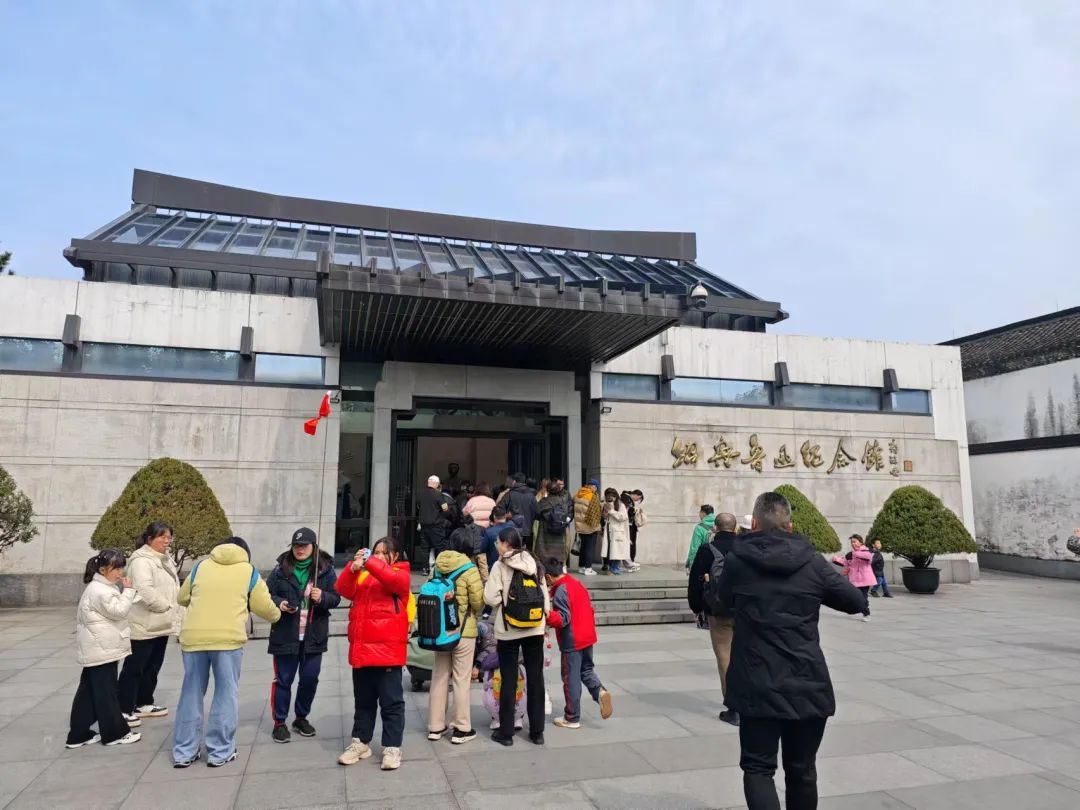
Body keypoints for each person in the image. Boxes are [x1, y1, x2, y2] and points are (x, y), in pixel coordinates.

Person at [717, 492, 866, 810]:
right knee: (802, 771)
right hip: (806, 681)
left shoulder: (738, 562)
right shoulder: (812, 562)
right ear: (790, 525)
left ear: (755, 524)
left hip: (757, 681)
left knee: (758, 769)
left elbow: (722, 601)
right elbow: (855, 601)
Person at [173, 537, 281, 768]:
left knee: (191, 694)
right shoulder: (248, 571)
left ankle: (184, 752)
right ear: (245, 552)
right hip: (227, 641)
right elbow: (264, 607)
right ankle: (220, 752)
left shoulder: (200, 567)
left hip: (193, 638)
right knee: (225, 694)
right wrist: (278, 615)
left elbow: (182, 597)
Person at [336, 536, 411, 771]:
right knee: (363, 702)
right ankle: (360, 742)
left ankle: (392, 747)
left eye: (382, 552)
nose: (377, 556)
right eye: (375, 552)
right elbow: (343, 589)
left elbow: (391, 579)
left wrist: (370, 562)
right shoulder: (366, 575)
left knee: (391, 703)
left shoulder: (400, 574)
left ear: (395, 556)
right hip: (362, 650)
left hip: (387, 652)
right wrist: (352, 568)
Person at [266, 527, 341, 743]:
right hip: (285, 634)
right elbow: (267, 594)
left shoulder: (325, 570)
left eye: (304, 546)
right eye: (296, 546)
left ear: (313, 547)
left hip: (313, 635)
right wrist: (280, 603)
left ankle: (301, 717)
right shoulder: (280, 569)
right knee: (284, 680)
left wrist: (322, 596)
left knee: (309, 679)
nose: (300, 550)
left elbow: (336, 598)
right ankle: (279, 722)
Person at [67, 549, 142, 749]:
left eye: (121, 568)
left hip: (98, 647)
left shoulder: (100, 587)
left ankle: (78, 735)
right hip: (101, 649)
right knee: (106, 693)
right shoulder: (101, 590)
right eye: (116, 568)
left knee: (88, 692)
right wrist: (128, 591)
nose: (120, 572)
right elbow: (119, 611)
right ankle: (115, 733)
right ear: (102, 570)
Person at [483, 527, 551, 746]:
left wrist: (504, 600)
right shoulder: (534, 562)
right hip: (534, 627)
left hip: (508, 629)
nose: (496, 546)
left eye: (498, 542)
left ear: (506, 544)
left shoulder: (500, 565)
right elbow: (544, 596)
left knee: (508, 679)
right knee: (536, 678)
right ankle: (537, 732)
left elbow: (490, 598)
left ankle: (506, 733)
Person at [426, 530, 485, 745]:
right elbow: (478, 603)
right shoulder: (470, 569)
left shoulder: (437, 566)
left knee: (439, 676)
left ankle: (435, 726)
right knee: (461, 679)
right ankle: (461, 728)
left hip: (440, 631)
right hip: (463, 631)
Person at [118, 522, 180, 724]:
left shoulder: (164, 558)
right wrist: (165, 606)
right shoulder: (141, 561)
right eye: (163, 537)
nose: (167, 541)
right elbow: (144, 590)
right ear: (149, 539)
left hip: (161, 623)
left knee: (153, 665)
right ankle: (123, 708)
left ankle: (144, 702)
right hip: (144, 622)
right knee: (135, 667)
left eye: (169, 537)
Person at [543, 558, 613, 729]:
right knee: (586, 670)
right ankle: (600, 692)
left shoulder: (561, 591)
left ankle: (572, 717)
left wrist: (547, 615)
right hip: (587, 635)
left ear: (548, 577)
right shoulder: (576, 584)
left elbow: (563, 618)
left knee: (570, 677)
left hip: (572, 639)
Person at [687, 512, 740, 725]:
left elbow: (695, 580)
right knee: (745, 656)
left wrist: (696, 607)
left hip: (717, 611)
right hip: (745, 610)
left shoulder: (707, 550)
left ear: (715, 528)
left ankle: (733, 707)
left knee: (724, 656)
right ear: (735, 528)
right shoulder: (747, 548)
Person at [417, 475, 454, 575]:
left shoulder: (421, 494)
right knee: (441, 547)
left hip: (424, 525)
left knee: (424, 548)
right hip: (436, 525)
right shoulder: (438, 494)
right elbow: (445, 510)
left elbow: (418, 506)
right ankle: (442, 568)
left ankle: (425, 569)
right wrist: (443, 517)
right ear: (437, 484)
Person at [833, 535, 875, 622]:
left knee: (862, 597)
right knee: (856, 597)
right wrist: (836, 559)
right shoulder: (851, 554)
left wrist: (854, 554)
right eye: (852, 542)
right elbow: (845, 562)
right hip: (854, 580)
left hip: (864, 580)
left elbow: (868, 557)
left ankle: (866, 613)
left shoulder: (866, 551)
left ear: (860, 542)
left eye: (854, 541)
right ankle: (863, 606)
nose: (853, 543)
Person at [535, 478, 573, 563]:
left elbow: (536, 513)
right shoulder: (562, 502)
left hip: (545, 533)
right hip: (559, 533)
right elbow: (567, 515)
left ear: (548, 490)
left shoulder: (544, 501)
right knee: (558, 556)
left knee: (544, 557)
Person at [573, 480, 602, 576]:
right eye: (596, 487)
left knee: (583, 547)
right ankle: (588, 568)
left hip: (580, 526)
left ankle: (581, 567)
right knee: (590, 547)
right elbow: (596, 512)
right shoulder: (592, 496)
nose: (596, 489)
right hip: (590, 526)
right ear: (593, 486)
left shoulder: (578, 494)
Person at [502, 473, 538, 552]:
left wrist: (507, 516)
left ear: (514, 481)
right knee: (525, 552)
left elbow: (500, 509)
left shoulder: (509, 494)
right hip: (527, 530)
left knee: (512, 552)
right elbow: (536, 513)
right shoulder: (531, 495)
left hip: (512, 529)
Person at [600, 488, 631, 575]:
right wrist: (605, 512)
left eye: (612, 496)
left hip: (618, 531)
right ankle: (611, 568)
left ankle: (615, 569)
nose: (610, 498)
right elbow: (605, 517)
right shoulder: (606, 504)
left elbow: (623, 517)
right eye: (608, 496)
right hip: (609, 530)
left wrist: (611, 511)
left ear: (616, 496)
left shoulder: (621, 505)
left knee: (616, 551)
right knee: (610, 550)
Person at [481, 506, 512, 573]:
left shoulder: (489, 532)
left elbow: (482, 549)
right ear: (505, 516)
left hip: (493, 566)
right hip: (510, 565)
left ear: (494, 516)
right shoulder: (513, 529)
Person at [686, 505, 716, 571]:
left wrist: (691, 563)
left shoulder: (699, 528)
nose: (699, 515)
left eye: (699, 512)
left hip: (703, 561)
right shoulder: (718, 525)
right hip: (716, 562)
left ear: (703, 513)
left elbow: (694, 547)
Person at [625, 490, 646, 572]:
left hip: (632, 525)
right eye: (638, 498)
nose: (637, 500)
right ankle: (630, 561)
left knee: (632, 543)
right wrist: (635, 510)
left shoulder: (629, 499)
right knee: (630, 543)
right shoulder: (626, 498)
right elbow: (627, 512)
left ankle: (631, 561)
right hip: (628, 525)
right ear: (636, 495)